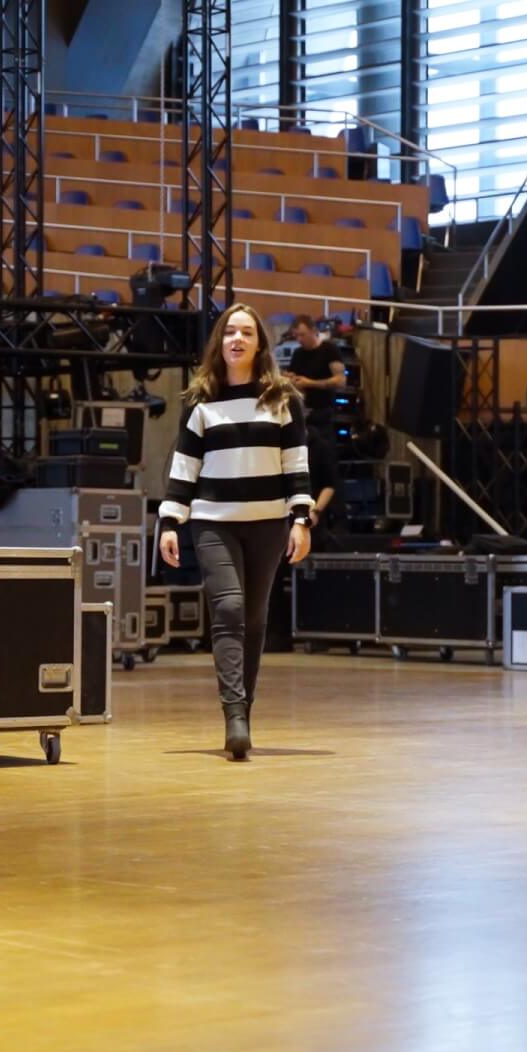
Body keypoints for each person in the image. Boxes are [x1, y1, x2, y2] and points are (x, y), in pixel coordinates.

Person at [158, 303, 314, 760]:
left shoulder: (282, 399)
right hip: (212, 522)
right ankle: (234, 718)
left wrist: (301, 520)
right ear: (219, 344)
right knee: (228, 608)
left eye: (246, 332)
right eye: (229, 332)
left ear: (260, 344)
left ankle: (244, 706)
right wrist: (171, 520)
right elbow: (183, 468)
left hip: (267, 523)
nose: (237, 339)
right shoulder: (200, 400)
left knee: (256, 619)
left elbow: (296, 466)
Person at [284, 314, 348, 428]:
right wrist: (289, 379)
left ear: (313, 331)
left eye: (302, 335)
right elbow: (292, 375)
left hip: (323, 412)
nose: (299, 339)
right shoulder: (298, 353)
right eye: (296, 336)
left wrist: (310, 383)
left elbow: (341, 381)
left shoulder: (330, 349)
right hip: (302, 411)